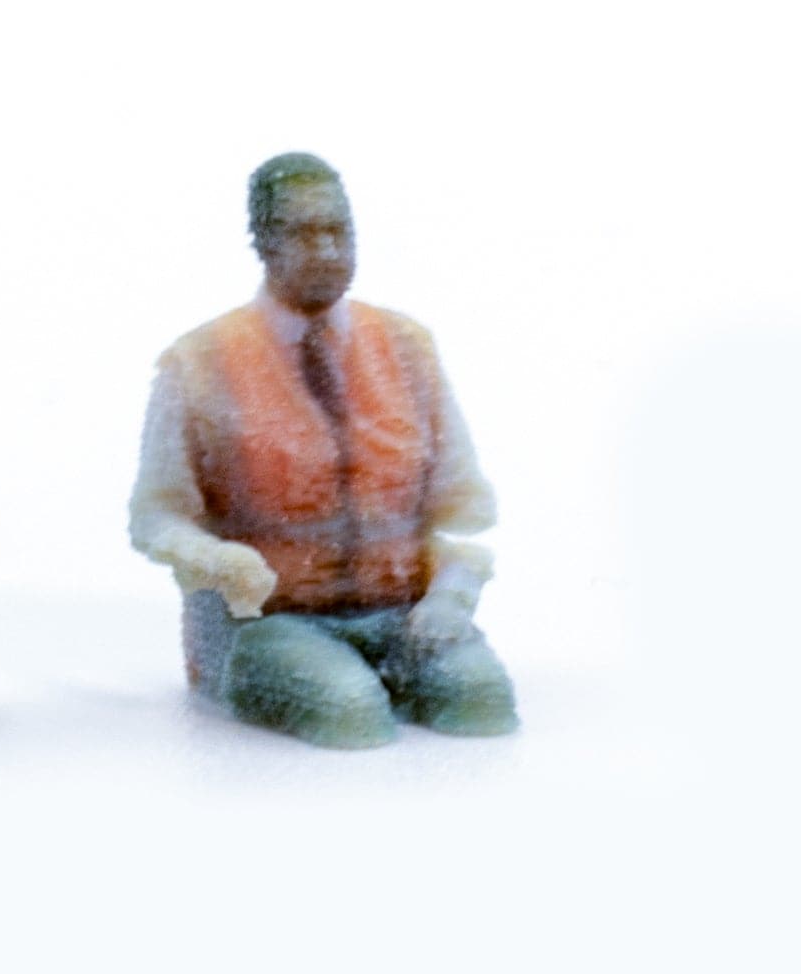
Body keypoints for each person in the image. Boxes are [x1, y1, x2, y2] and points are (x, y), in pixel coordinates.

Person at [129, 152, 517, 747]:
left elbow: (459, 505)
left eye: (339, 231)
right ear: (263, 242)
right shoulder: (199, 362)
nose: (328, 251)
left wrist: (450, 598)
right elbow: (156, 517)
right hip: (272, 621)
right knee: (348, 712)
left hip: (404, 613)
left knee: (482, 699)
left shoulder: (406, 347)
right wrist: (216, 562)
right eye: (304, 234)